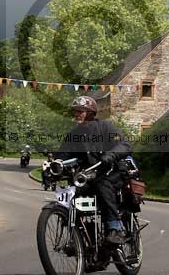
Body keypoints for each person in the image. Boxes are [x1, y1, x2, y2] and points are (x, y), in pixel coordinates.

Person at [56, 95, 131, 245]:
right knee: (72, 193)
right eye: (75, 111)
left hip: (112, 172)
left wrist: (111, 155)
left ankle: (115, 227)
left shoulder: (105, 127)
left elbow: (124, 145)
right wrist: (54, 165)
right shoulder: (74, 135)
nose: (77, 114)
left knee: (102, 184)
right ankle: (82, 237)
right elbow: (62, 156)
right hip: (88, 177)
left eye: (81, 111)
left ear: (90, 113)